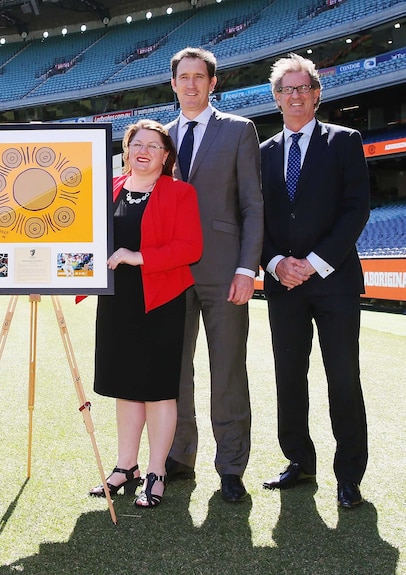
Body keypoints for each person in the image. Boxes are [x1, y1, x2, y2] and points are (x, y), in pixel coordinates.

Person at [259, 54, 369, 509]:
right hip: (283, 285)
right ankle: (300, 462)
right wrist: (276, 262)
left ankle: (349, 476)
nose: (296, 96)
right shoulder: (262, 152)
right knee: (289, 377)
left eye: (304, 88)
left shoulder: (345, 141)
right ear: (276, 97)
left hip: (335, 282)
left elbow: (356, 208)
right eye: (287, 89)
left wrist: (315, 262)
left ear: (317, 93)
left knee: (343, 378)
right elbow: (256, 216)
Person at [165, 47, 264, 502]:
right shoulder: (158, 137)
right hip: (170, 272)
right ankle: (180, 456)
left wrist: (248, 267)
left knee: (227, 372)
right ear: (173, 84)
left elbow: (252, 206)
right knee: (174, 370)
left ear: (212, 83)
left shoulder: (239, 130)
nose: (190, 85)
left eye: (198, 77)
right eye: (183, 77)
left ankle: (231, 467)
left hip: (225, 271)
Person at [88, 119, 202, 509]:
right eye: (137, 142)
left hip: (161, 299)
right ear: (126, 148)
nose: (144, 150)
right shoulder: (110, 189)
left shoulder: (180, 192)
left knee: (157, 389)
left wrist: (139, 258)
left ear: (166, 155)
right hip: (117, 301)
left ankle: (157, 471)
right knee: (125, 385)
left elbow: (191, 247)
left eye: (154, 145)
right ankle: (125, 466)